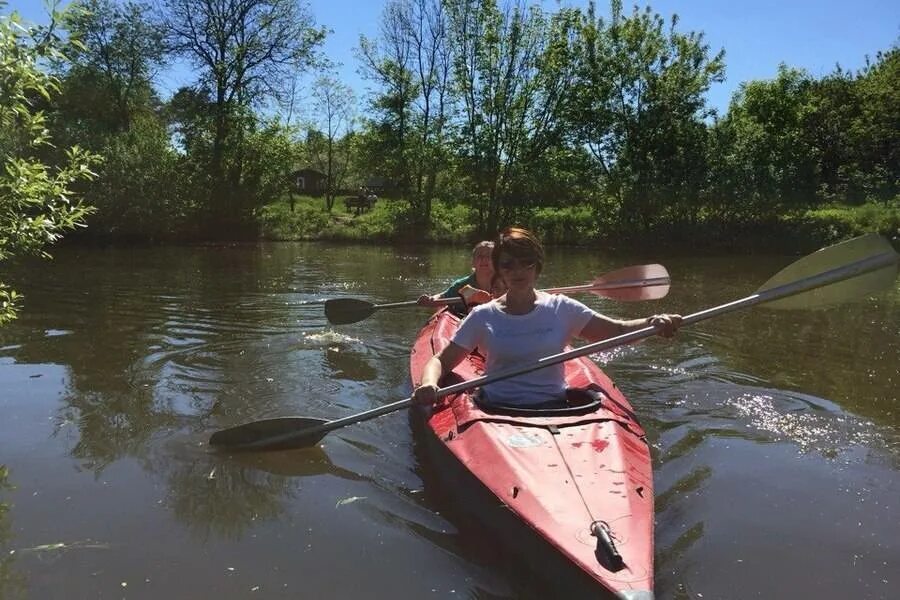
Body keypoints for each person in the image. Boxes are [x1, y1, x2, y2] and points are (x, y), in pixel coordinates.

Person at [412, 227, 682, 409]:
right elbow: (441, 361)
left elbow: (616, 331)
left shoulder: (562, 308)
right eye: (507, 264)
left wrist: (651, 324)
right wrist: (429, 383)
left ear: (537, 266)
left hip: (555, 408)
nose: (517, 270)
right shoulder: (483, 316)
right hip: (495, 410)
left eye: (525, 262)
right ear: (500, 270)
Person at [417, 241, 504, 309]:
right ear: (473, 262)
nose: (484, 259)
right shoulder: (462, 285)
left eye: (488, 256)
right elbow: (442, 296)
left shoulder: (506, 283)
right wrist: (431, 299)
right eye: (480, 256)